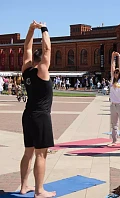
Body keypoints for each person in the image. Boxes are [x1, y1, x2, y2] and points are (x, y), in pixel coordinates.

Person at [20, 20, 56, 197]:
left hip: (27, 115)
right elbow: (47, 49)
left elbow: (27, 47)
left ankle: (23, 186)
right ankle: (39, 190)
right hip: (41, 116)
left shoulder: (26, 70)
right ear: (41, 59)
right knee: (41, 155)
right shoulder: (42, 69)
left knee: (28, 153)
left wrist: (30, 29)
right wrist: (44, 29)